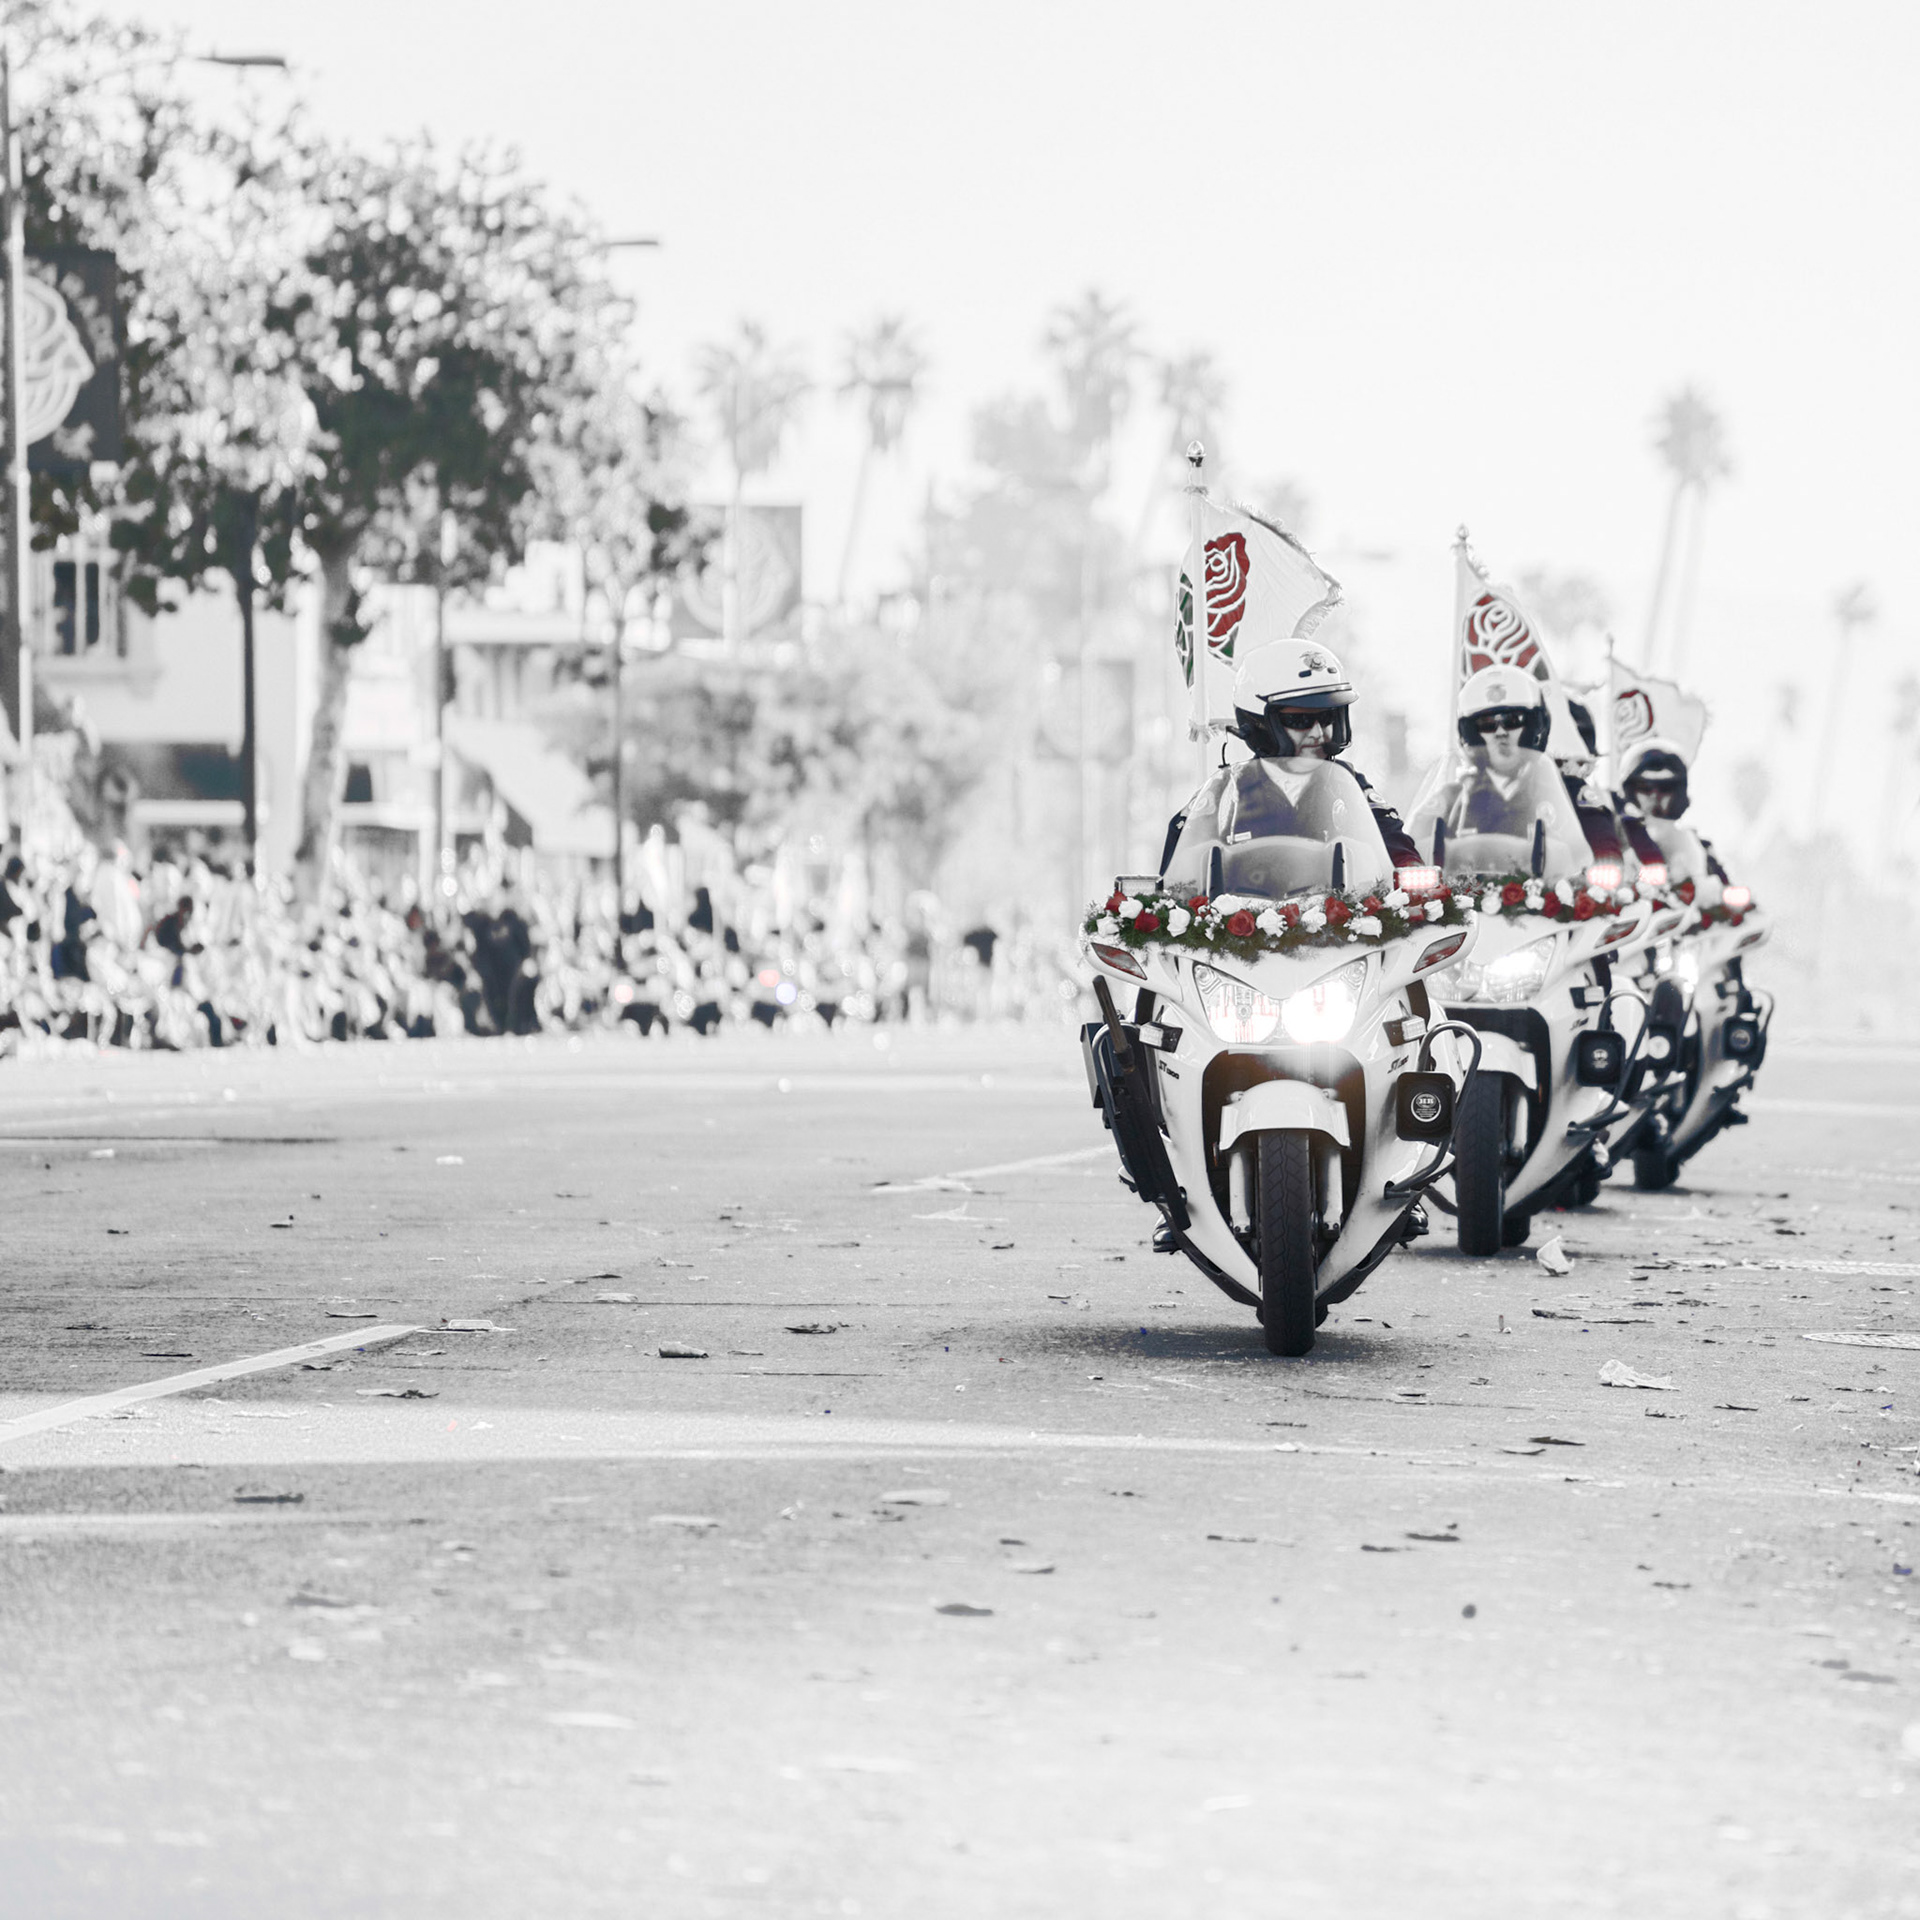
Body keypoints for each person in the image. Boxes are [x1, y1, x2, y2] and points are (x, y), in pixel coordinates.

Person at [1159, 640, 1421, 874]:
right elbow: (1176, 872)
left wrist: (1409, 867)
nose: (1318, 733)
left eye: (1328, 717)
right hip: (1243, 926)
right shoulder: (1226, 795)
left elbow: (1393, 841)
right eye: (1301, 719)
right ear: (1258, 723)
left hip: (1340, 924)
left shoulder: (1347, 784)